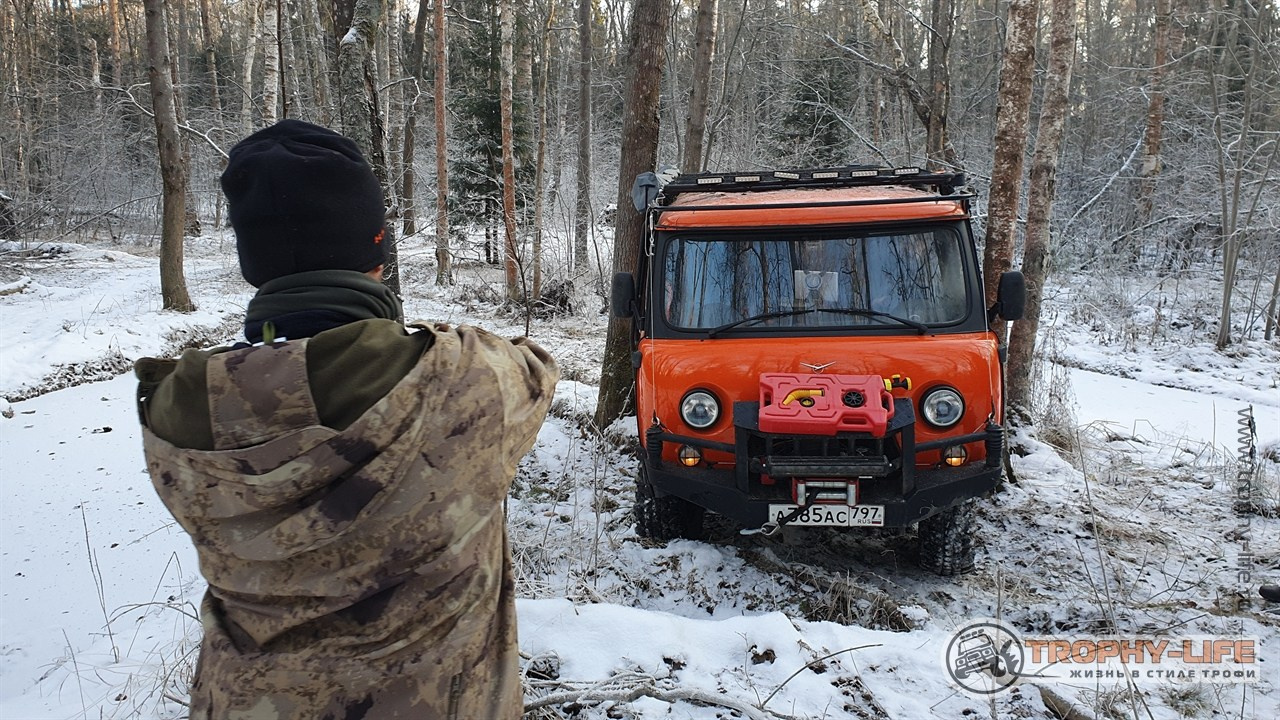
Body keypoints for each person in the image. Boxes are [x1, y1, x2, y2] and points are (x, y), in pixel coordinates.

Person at [134, 119, 558, 719]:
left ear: (254, 264)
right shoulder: (463, 377)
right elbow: (539, 367)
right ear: (379, 249)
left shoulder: (179, 403)